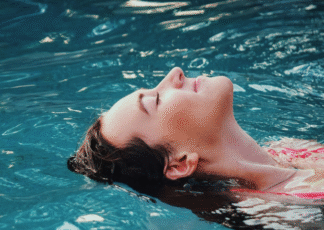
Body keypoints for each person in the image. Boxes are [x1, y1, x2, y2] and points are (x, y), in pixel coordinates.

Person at [68, 67, 324, 201]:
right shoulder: (294, 208)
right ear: (179, 163)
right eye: (155, 100)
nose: (175, 74)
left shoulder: (289, 149)